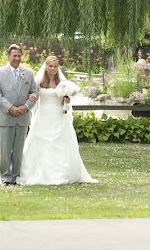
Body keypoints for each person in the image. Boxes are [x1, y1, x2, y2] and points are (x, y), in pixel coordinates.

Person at [18, 55, 97, 185]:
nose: (53, 69)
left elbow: (66, 101)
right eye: (50, 66)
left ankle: (62, 172)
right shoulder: (39, 82)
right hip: (43, 115)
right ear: (46, 67)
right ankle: (36, 172)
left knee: (61, 144)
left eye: (55, 66)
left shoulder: (62, 82)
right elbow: (33, 97)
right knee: (40, 143)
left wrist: (67, 99)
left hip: (58, 115)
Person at [0, 44, 39, 186]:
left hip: (23, 118)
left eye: (19, 56)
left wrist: (26, 107)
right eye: (14, 56)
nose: (17, 58)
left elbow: (35, 92)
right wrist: (10, 108)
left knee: (18, 151)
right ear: (8, 56)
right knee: (5, 151)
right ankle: (6, 177)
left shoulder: (28, 73)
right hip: (5, 117)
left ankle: (16, 176)